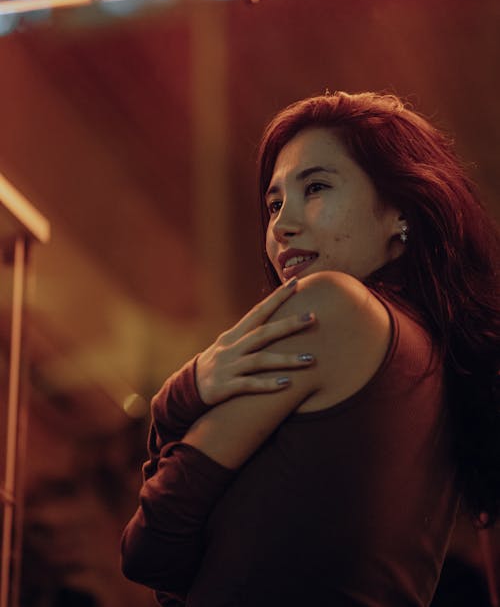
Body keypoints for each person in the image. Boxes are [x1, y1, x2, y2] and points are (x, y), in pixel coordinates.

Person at [121, 91, 500, 607]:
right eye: (274, 203)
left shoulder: (334, 305)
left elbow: (149, 545)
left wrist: (183, 392)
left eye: (316, 187)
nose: (281, 225)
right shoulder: (440, 370)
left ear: (401, 211)